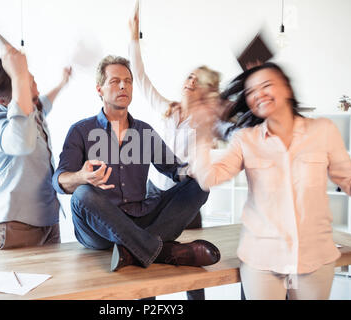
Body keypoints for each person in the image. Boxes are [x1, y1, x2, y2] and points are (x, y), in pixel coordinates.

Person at [189, 62, 351, 300]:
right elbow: (208, 178)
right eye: (251, 92)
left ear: (287, 90)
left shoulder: (323, 130)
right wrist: (202, 131)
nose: (258, 95)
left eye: (266, 86)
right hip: (261, 261)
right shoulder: (245, 139)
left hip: (315, 259)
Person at [52, 54, 220, 273]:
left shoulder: (145, 132)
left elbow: (173, 169)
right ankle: (162, 251)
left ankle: (132, 250)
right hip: (98, 230)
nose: (123, 86)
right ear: (99, 89)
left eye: (128, 81)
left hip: (140, 219)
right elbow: (59, 181)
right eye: (115, 81)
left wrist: (193, 171)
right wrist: (80, 177)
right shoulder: (80, 131)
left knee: (200, 185)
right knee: (82, 194)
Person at [127, 2, 222, 299]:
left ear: (206, 90)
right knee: (147, 254)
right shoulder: (167, 110)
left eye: (197, 80)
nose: (189, 81)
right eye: (189, 76)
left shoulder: (206, 124)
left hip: (185, 198)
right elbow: (140, 79)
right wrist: (133, 38)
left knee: (191, 263)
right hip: (155, 195)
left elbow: (202, 166)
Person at [0, 44, 72, 250]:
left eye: (33, 80)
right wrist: (19, 77)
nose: (36, 89)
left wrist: (62, 83)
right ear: (1, 100)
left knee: (53, 283)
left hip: (48, 221)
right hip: (14, 228)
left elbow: (41, 104)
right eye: (26, 87)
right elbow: (22, 141)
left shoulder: (31, 110)